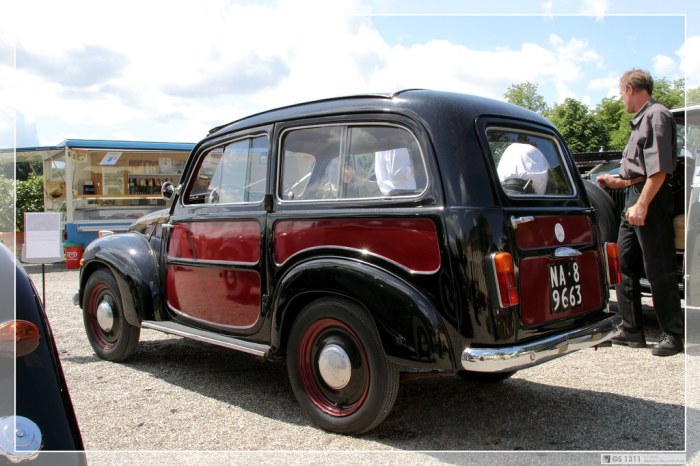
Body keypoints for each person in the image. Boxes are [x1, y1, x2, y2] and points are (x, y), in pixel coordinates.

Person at [597, 69, 684, 356]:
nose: (622, 100)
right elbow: (638, 171)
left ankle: (673, 334)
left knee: (659, 268)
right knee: (624, 263)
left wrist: (643, 204)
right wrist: (615, 182)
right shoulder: (641, 121)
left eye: (622, 94)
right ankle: (631, 329)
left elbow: (658, 170)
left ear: (631, 89)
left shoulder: (656, 115)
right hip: (635, 195)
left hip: (651, 198)